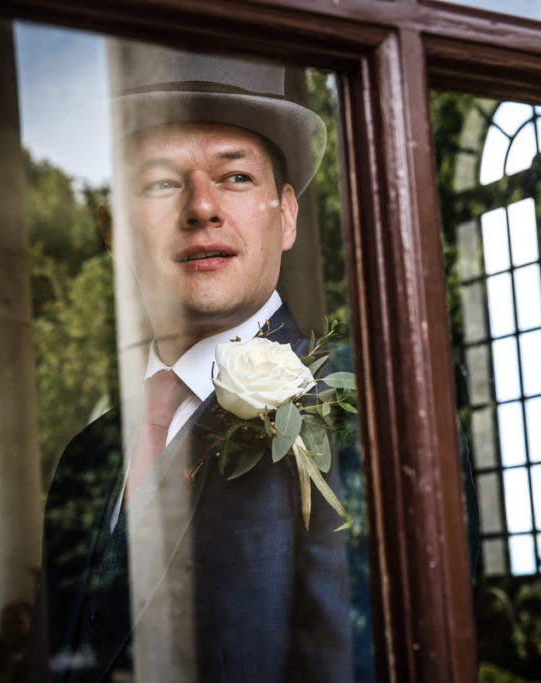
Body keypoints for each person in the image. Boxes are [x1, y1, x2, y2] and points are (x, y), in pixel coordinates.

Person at [22, 41, 352, 683]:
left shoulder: (357, 412)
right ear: (114, 230)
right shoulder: (85, 457)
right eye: (164, 183)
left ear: (286, 216)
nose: (201, 207)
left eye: (234, 176)